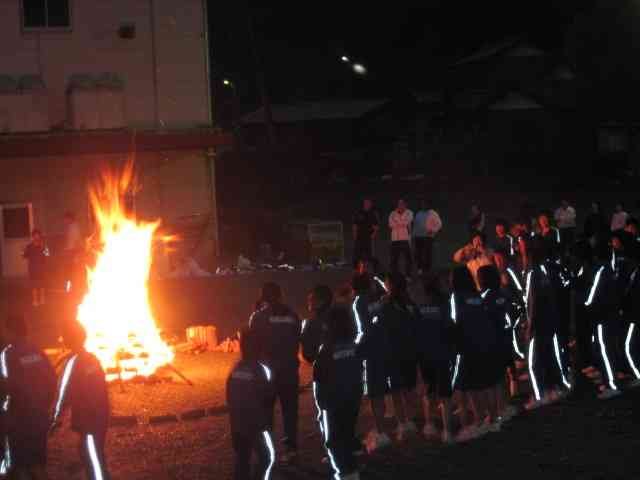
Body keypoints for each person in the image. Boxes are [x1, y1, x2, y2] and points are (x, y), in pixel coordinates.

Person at [50, 321, 110, 480]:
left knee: (93, 460)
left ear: (69, 339)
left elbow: (63, 393)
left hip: (88, 420)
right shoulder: (92, 359)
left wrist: (54, 420)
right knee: (94, 454)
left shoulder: (73, 362)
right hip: (101, 416)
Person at [248, 282, 301, 463]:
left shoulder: (257, 317)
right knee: (290, 411)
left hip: (267, 372)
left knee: (266, 412)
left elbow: (251, 344)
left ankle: (268, 450)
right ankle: (291, 448)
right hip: (289, 370)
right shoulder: (293, 316)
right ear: (280, 295)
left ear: (263, 297)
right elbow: (296, 338)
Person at [0, 313, 56, 479]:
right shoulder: (38, 351)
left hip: (19, 420)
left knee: (20, 467)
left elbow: (6, 385)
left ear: (10, 330)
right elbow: (52, 380)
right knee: (38, 465)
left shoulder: (8, 354)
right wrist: (44, 405)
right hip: (39, 417)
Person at [313, 307, 364, 480]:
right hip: (353, 397)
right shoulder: (353, 345)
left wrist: (322, 405)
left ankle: (346, 472)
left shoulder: (326, 350)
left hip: (333, 401)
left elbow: (319, 379)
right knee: (347, 433)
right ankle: (351, 467)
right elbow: (358, 370)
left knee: (334, 440)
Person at [450, 266, 499, 442]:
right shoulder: (477, 296)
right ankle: (493, 418)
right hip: (484, 342)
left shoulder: (457, 297)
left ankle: (478, 421)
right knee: (485, 382)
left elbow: (455, 320)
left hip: (467, 345)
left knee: (470, 386)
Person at [525, 249, 572, 410]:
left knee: (534, 362)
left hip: (540, 323)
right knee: (551, 356)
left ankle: (540, 394)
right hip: (551, 320)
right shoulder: (549, 270)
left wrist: (530, 325)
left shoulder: (534, 273)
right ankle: (556, 388)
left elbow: (532, 301)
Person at [226, 328, 276, 480]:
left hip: (237, 426)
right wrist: (267, 422)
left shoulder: (234, 369)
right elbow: (268, 398)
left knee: (242, 461)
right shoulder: (260, 370)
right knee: (266, 457)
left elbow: (229, 398)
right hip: (255, 426)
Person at [377, 273, 420, 441]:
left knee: (397, 389)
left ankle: (403, 422)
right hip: (409, 350)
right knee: (409, 387)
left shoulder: (387, 303)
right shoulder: (409, 302)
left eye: (387, 282)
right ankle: (410, 419)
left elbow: (383, 324)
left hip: (394, 351)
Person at [417, 274, 456, 444]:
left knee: (428, 389)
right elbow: (449, 325)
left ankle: (429, 423)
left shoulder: (420, 305)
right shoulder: (444, 303)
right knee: (445, 392)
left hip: (425, 353)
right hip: (442, 351)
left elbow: (416, 329)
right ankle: (447, 431)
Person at [477, 266, 519, 424]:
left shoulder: (484, 297)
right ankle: (507, 405)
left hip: (492, 342)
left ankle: (499, 410)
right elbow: (513, 312)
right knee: (506, 373)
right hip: (506, 338)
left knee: (495, 378)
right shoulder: (503, 293)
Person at [583, 244, 624, 400]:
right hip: (611, 315)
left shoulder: (601, 271)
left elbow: (592, 296)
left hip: (602, 317)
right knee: (608, 350)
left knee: (605, 351)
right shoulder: (611, 271)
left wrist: (586, 304)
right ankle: (610, 381)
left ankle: (612, 385)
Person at [301, 285, 334, 364]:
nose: (308, 300)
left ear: (321, 301)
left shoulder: (311, 323)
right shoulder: (341, 318)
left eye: (312, 298)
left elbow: (308, 356)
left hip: (323, 368)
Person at [412, 200, 442, 275]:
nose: (423, 206)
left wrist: (432, 230)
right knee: (418, 253)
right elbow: (416, 225)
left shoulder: (433, 213)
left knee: (427, 253)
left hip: (428, 237)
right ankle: (420, 269)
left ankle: (427, 269)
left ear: (428, 205)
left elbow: (439, 224)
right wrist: (413, 235)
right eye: (422, 204)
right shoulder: (419, 213)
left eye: (425, 204)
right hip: (418, 236)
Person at [22, 229, 49, 307]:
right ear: (32, 237)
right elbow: (24, 256)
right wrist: (22, 251)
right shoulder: (29, 246)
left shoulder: (43, 246)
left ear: (40, 237)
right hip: (32, 268)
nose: (36, 238)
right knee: (34, 285)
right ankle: (35, 300)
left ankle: (42, 300)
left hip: (41, 268)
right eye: (34, 236)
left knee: (41, 284)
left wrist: (44, 247)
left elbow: (47, 255)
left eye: (38, 236)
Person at [388, 199, 414, 279]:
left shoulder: (409, 212)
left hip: (405, 239)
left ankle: (408, 275)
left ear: (405, 205)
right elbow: (390, 224)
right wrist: (402, 223)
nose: (401, 206)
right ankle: (394, 275)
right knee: (394, 259)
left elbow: (407, 221)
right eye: (399, 204)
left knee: (408, 259)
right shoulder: (392, 213)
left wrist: (397, 223)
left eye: (402, 204)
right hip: (395, 239)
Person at [352, 199, 380, 271]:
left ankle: (370, 269)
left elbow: (376, 226)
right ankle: (356, 269)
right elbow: (355, 225)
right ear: (363, 204)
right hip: (359, 237)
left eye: (368, 203)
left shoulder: (373, 214)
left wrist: (374, 234)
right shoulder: (359, 212)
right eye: (366, 203)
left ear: (370, 204)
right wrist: (355, 235)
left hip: (368, 238)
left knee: (369, 255)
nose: (367, 204)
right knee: (357, 254)